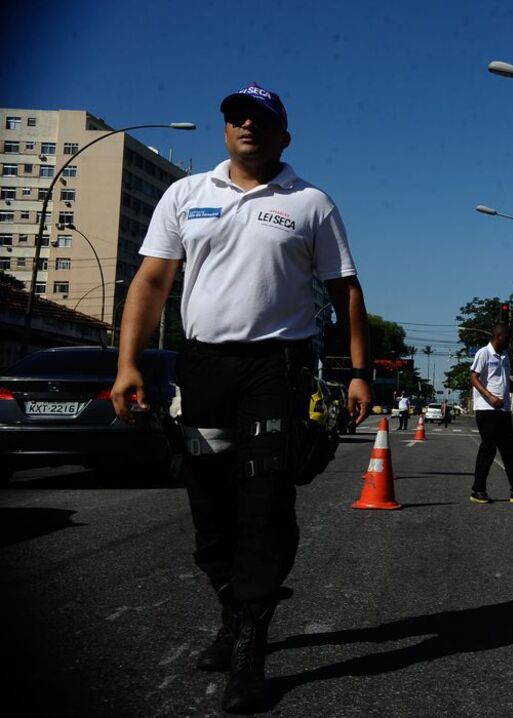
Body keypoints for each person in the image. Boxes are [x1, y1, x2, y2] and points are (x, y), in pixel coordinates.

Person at [111, 82, 371, 714]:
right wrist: (128, 364)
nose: (246, 125)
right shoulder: (186, 195)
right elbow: (151, 281)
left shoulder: (309, 203)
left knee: (263, 499)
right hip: (203, 369)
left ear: (283, 135)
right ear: (225, 129)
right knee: (208, 511)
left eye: (259, 118)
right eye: (235, 117)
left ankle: (252, 641)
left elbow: (346, 289)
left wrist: (358, 370)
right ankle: (233, 608)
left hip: (276, 371)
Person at [468, 324, 513, 504]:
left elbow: (507, 381)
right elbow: (473, 378)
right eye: (507, 338)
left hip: (504, 410)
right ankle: (478, 490)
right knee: (488, 449)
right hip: (487, 410)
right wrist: (490, 397)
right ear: (499, 337)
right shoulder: (483, 353)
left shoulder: (505, 356)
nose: (509, 342)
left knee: (509, 451)